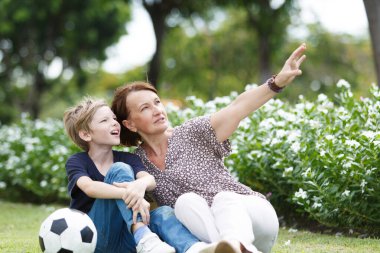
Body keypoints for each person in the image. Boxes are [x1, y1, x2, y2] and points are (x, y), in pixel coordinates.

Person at [111, 43, 307, 253]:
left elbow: (237, 107)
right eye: (145, 108)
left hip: (252, 216)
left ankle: (235, 242)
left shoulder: (192, 132)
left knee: (223, 198)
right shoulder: (137, 163)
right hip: (211, 232)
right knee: (184, 203)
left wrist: (277, 83)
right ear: (130, 124)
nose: (157, 110)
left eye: (157, 102)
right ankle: (231, 249)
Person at [63, 97, 232, 253]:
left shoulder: (130, 157)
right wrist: (129, 192)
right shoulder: (78, 161)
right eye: (104, 120)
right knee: (119, 170)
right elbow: (90, 187)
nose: (114, 124)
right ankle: (144, 236)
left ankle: (194, 248)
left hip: (127, 240)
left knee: (163, 212)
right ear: (85, 134)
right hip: (96, 239)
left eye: (114, 119)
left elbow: (149, 179)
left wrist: (139, 185)